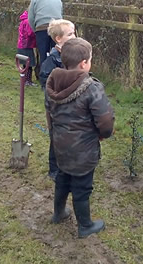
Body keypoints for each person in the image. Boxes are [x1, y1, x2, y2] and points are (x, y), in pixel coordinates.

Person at [45, 37, 114, 238]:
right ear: (84, 63)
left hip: (60, 144)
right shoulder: (92, 87)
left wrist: (55, 135)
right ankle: (85, 225)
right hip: (83, 150)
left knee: (63, 177)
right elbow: (105, 121)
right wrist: (103, 135)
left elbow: (49, 112)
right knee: (82, 186)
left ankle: (58, 213)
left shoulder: (52, 82)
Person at [39, 19, 76, 180]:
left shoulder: (73, 56)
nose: (74, 36)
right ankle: (54, 169)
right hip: (56, 106)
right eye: (70, 34)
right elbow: (46, 80)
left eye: (74, 32)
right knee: (56, 137)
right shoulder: (53, 59)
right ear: (58, 39)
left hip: (71, 104)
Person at [28, 0, 62, 71]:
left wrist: (35, 30)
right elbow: (61, 15)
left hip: (41, 28)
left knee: (43, 54)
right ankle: (57, 75)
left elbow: (31, 18)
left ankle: (44, 77)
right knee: (57, 53)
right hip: (57, 28)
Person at [16, 10, 36, 86]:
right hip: (26, 45)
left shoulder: (23, 20)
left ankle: (24, 80)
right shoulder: (28, 21)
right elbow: (30, 33)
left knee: (25, 64)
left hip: (22, 44)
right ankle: (28, 81)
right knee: (29, 64)